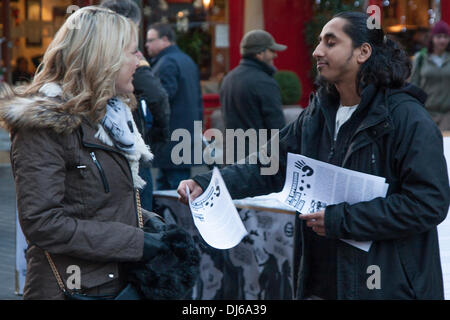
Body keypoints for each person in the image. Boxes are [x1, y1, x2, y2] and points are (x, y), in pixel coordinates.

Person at [178, 11, 450, 299]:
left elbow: (428, 203)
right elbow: (271, 163)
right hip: (322, 281)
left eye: (331, 43)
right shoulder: (316, 113)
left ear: (363, 52)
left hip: (387, 285)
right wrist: (211, 182)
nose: (317, 50)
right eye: (319, 41)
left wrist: (342, 219)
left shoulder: (408, 119)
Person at [0, 6, 197, 300]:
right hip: (72, 290)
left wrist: (150, 223)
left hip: (115, 283)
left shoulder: (110, 119)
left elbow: (96, 203)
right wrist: (139, 242)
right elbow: (43, 223)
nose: (140, 60)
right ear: (104, 58)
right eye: (133, 51)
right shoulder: (44, 125)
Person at [100, 0, 171, 211]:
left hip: (106, 155)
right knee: (141, 220)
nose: (138, 56)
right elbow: (157, 96)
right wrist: (157, 135)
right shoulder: (121, 54)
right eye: (134, 53)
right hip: (127, 152)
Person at [145, 22, 203, 190]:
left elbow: (161, 101)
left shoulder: (167, 63)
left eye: (150, 40)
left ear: (165, 40)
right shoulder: (186, 60)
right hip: (184, 139)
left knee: (175, 192)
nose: (147, 44)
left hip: (171, 141)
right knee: (171, 189)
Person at [220, 30, 286, 163]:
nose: (275, 55)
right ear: (259, 53)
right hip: (256, 161)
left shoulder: (228, 79)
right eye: (271, 50)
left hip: (231, 156)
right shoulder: (264, 82)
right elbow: (277, 129)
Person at [410, 20, 450, 131]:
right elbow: (413, 86)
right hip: (426, 114)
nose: (442, 40)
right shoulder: (420, 58)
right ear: (432, 38)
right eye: (439, 36)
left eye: (446, 37)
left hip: (447, 116)